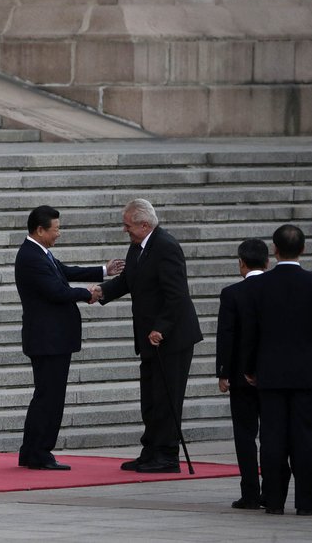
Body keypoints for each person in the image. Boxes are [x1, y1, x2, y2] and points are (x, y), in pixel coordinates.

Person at [14, 205, 124, 470]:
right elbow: (55, 291)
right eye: (56, 229)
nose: (59, 233)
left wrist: (103, 271)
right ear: (40, 230)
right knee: (50, 398)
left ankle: (31, 450)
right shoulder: (31, 257)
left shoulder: (40, 253)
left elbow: (65, 271)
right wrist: (89, 294)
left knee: (45, 396)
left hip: (50, 340)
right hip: (48, 340)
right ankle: (40, 452)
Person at [99, 199, 203, 473]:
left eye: (128, 225)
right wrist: (100, 292)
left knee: (167, 398)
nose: (125, 230)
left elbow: (177, 294)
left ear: (145, 225)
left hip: (172, 338)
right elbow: (127, 280)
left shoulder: (166, 247)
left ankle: (168, 455)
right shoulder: (138, 247)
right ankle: (151, 450)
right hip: (149, 338)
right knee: (151, 396)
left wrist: (162, 327)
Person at [240, 224, 312, 516]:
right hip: (307, 374)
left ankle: (273, 500)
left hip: (269, 373)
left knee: (272, 438)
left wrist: (248, 367)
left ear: (275, 249)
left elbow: (250, 332)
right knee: (305, 438)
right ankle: (307, 502)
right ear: (304, 249)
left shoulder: (259, 287)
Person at [215, 238, 269, 509]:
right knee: (273, 434)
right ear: (268, 262)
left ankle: (250, 492)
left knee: (245, 434)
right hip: (274, 375)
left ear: (241, 263)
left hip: (239, 375)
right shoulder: (278, 290)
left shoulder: (232, 293)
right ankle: (273, 490)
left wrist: (223, 373)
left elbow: (226, 335)